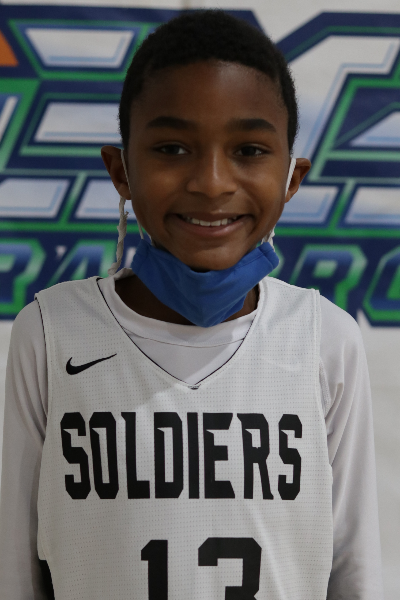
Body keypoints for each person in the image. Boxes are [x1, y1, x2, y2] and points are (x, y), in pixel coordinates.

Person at [0, 10, 383, 600]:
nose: (211, 182)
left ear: (291, 177)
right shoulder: (53, 333)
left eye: (249, 150)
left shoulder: (324, 340)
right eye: (172, 148)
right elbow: (15, 571)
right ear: (121, 171)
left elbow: (355, 573)